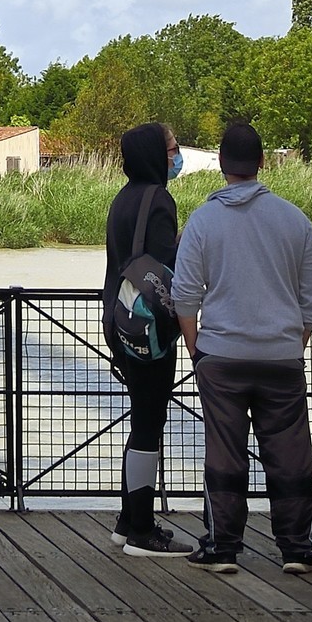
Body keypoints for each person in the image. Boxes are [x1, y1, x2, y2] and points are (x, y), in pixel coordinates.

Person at [170, 118, 312, 573]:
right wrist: (293, 341)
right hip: (280, 358)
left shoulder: (203, 220)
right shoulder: (294, 219)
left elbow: (185, 293)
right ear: (262, 163)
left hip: (221, 357)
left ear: (220, 163)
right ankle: (297, 548)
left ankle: (223, 547)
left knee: (225, 449)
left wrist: (196, 347)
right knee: (290, 451)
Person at [103, 122, 188, 554]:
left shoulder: (122, 198)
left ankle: (126, 519)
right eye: (172, 148)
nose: (176, 155)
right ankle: (140, 531)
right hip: (148, 326)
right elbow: (163, 268)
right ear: (156, 154)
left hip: (118, 321)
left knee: (141, 418)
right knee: (148, 425)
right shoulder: (159, 198)